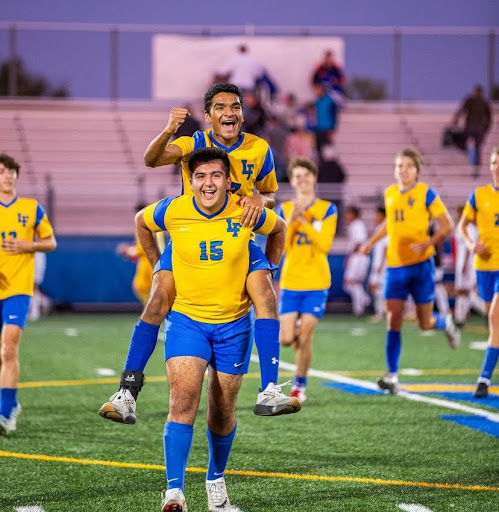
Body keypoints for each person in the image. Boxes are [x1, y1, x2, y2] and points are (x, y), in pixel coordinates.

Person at [100, 83, 295, 424]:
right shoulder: (195, 143)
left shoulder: (260, 149)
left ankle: (269, 389)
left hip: (237, 239)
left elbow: (270, 198)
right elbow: (152, 160)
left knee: (266, 294)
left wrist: (261, 201)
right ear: (208, 116)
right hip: (190, 235)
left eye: (235, 106)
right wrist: (169, 129)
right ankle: (127, 393)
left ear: (242, 113)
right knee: (159, 297)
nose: (229, 112)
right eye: (220, 107)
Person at [138, 148, 294, 511]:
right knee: (182, 404)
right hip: (188, 322)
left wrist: (269, 265)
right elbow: (141, 222)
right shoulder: (175, 210)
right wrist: (157, 267)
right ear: (191, 182)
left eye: (216, 176)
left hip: (234, 325)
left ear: (228, 180)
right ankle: (174, 490)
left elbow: (280, 228)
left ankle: (215, 478)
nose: (208, 183)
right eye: (201, 176)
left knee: (222, 411)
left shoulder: (246, 209)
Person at [360, 148, 461, 394]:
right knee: (393, 319)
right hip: (395, 267)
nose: (402, 170)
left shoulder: (426, 193)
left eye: (407, 166)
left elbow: (447, 224)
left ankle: (445, 323)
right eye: (399, 166)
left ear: (417, 170)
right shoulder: (390, 193)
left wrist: (428, 242)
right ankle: (392, 376)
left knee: (424, 323)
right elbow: (390, 222)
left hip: (421, 266)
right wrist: (372, 242)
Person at [0, 153, 57, 435]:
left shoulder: (31, 208)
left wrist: (28, 245)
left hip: (18, 289)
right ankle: (10, 403)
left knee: (9, 349)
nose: (8, 175)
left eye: (11, 171)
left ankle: (6, 412)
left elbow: (50, 242)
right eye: (2, 171)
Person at [277, 158, 337, 403]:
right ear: (292, 181)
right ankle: (297, 332)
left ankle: (299, 386)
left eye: (306, 175)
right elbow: (282, 248)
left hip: (317, 282)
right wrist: (292, 220)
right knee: (286, 339)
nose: (302, 180)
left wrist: (304, 220)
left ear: (314, 177)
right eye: (297, 176)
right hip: (291, 282)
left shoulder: (327, 208)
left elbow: (324, 245)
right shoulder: (284, 209)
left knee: (306, 337)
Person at [457, 146, 499, 398]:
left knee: (495, 316)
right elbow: (463, 226)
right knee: (494, 324)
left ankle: (483, 379)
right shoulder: (480, 195)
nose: (496, 166)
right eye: (494, 162)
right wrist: (472, 245)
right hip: (483, 268)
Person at [116, 204, 165, 305]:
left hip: (150, 260)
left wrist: (129, 251)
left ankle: (155, 312)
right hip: (153, 260)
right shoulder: (153, 225)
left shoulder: (146, 226)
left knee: (143, 287)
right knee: (146, 289)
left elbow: (145, 247)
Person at [453, 205, 486, 327]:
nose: (457, 216)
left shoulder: (469, 228)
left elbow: (469, 247)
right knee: (462, 292)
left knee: (465, 292)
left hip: (468, 264)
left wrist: (465, 264)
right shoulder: (461, 227)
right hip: (462, 262)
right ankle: (460, 318)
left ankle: (486, 310)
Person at [453, 85, 492, 178]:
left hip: (476, 128)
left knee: (477, 148)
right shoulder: (472, 100)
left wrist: (486, 128)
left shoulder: (483, 102)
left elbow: (489, 117)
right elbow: (462, 110)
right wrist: (456, 119)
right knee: (465, 143)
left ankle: (476, 169)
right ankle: (470, 153)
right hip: (473, 127)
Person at [343, 206, 371, 317]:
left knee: (351, 282)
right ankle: (364, 301)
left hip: (358, 257)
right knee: (351, 284)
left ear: (354, 214)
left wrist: (351, 254)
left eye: (348, 214)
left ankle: (360, 307)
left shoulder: (357, 225)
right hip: (356, 257)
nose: (346, 216)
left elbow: (359, 242)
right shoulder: (353, 225)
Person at [367, 207, 388, 323]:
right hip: (377, 263)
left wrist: (381, 264)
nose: (375, 218)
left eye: (377, 215)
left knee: (379, 289)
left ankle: (382, 312)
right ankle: (380, 312)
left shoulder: (386, 228)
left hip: (383, 265)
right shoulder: (378, 228)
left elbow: (386, 248)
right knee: (375, 288)